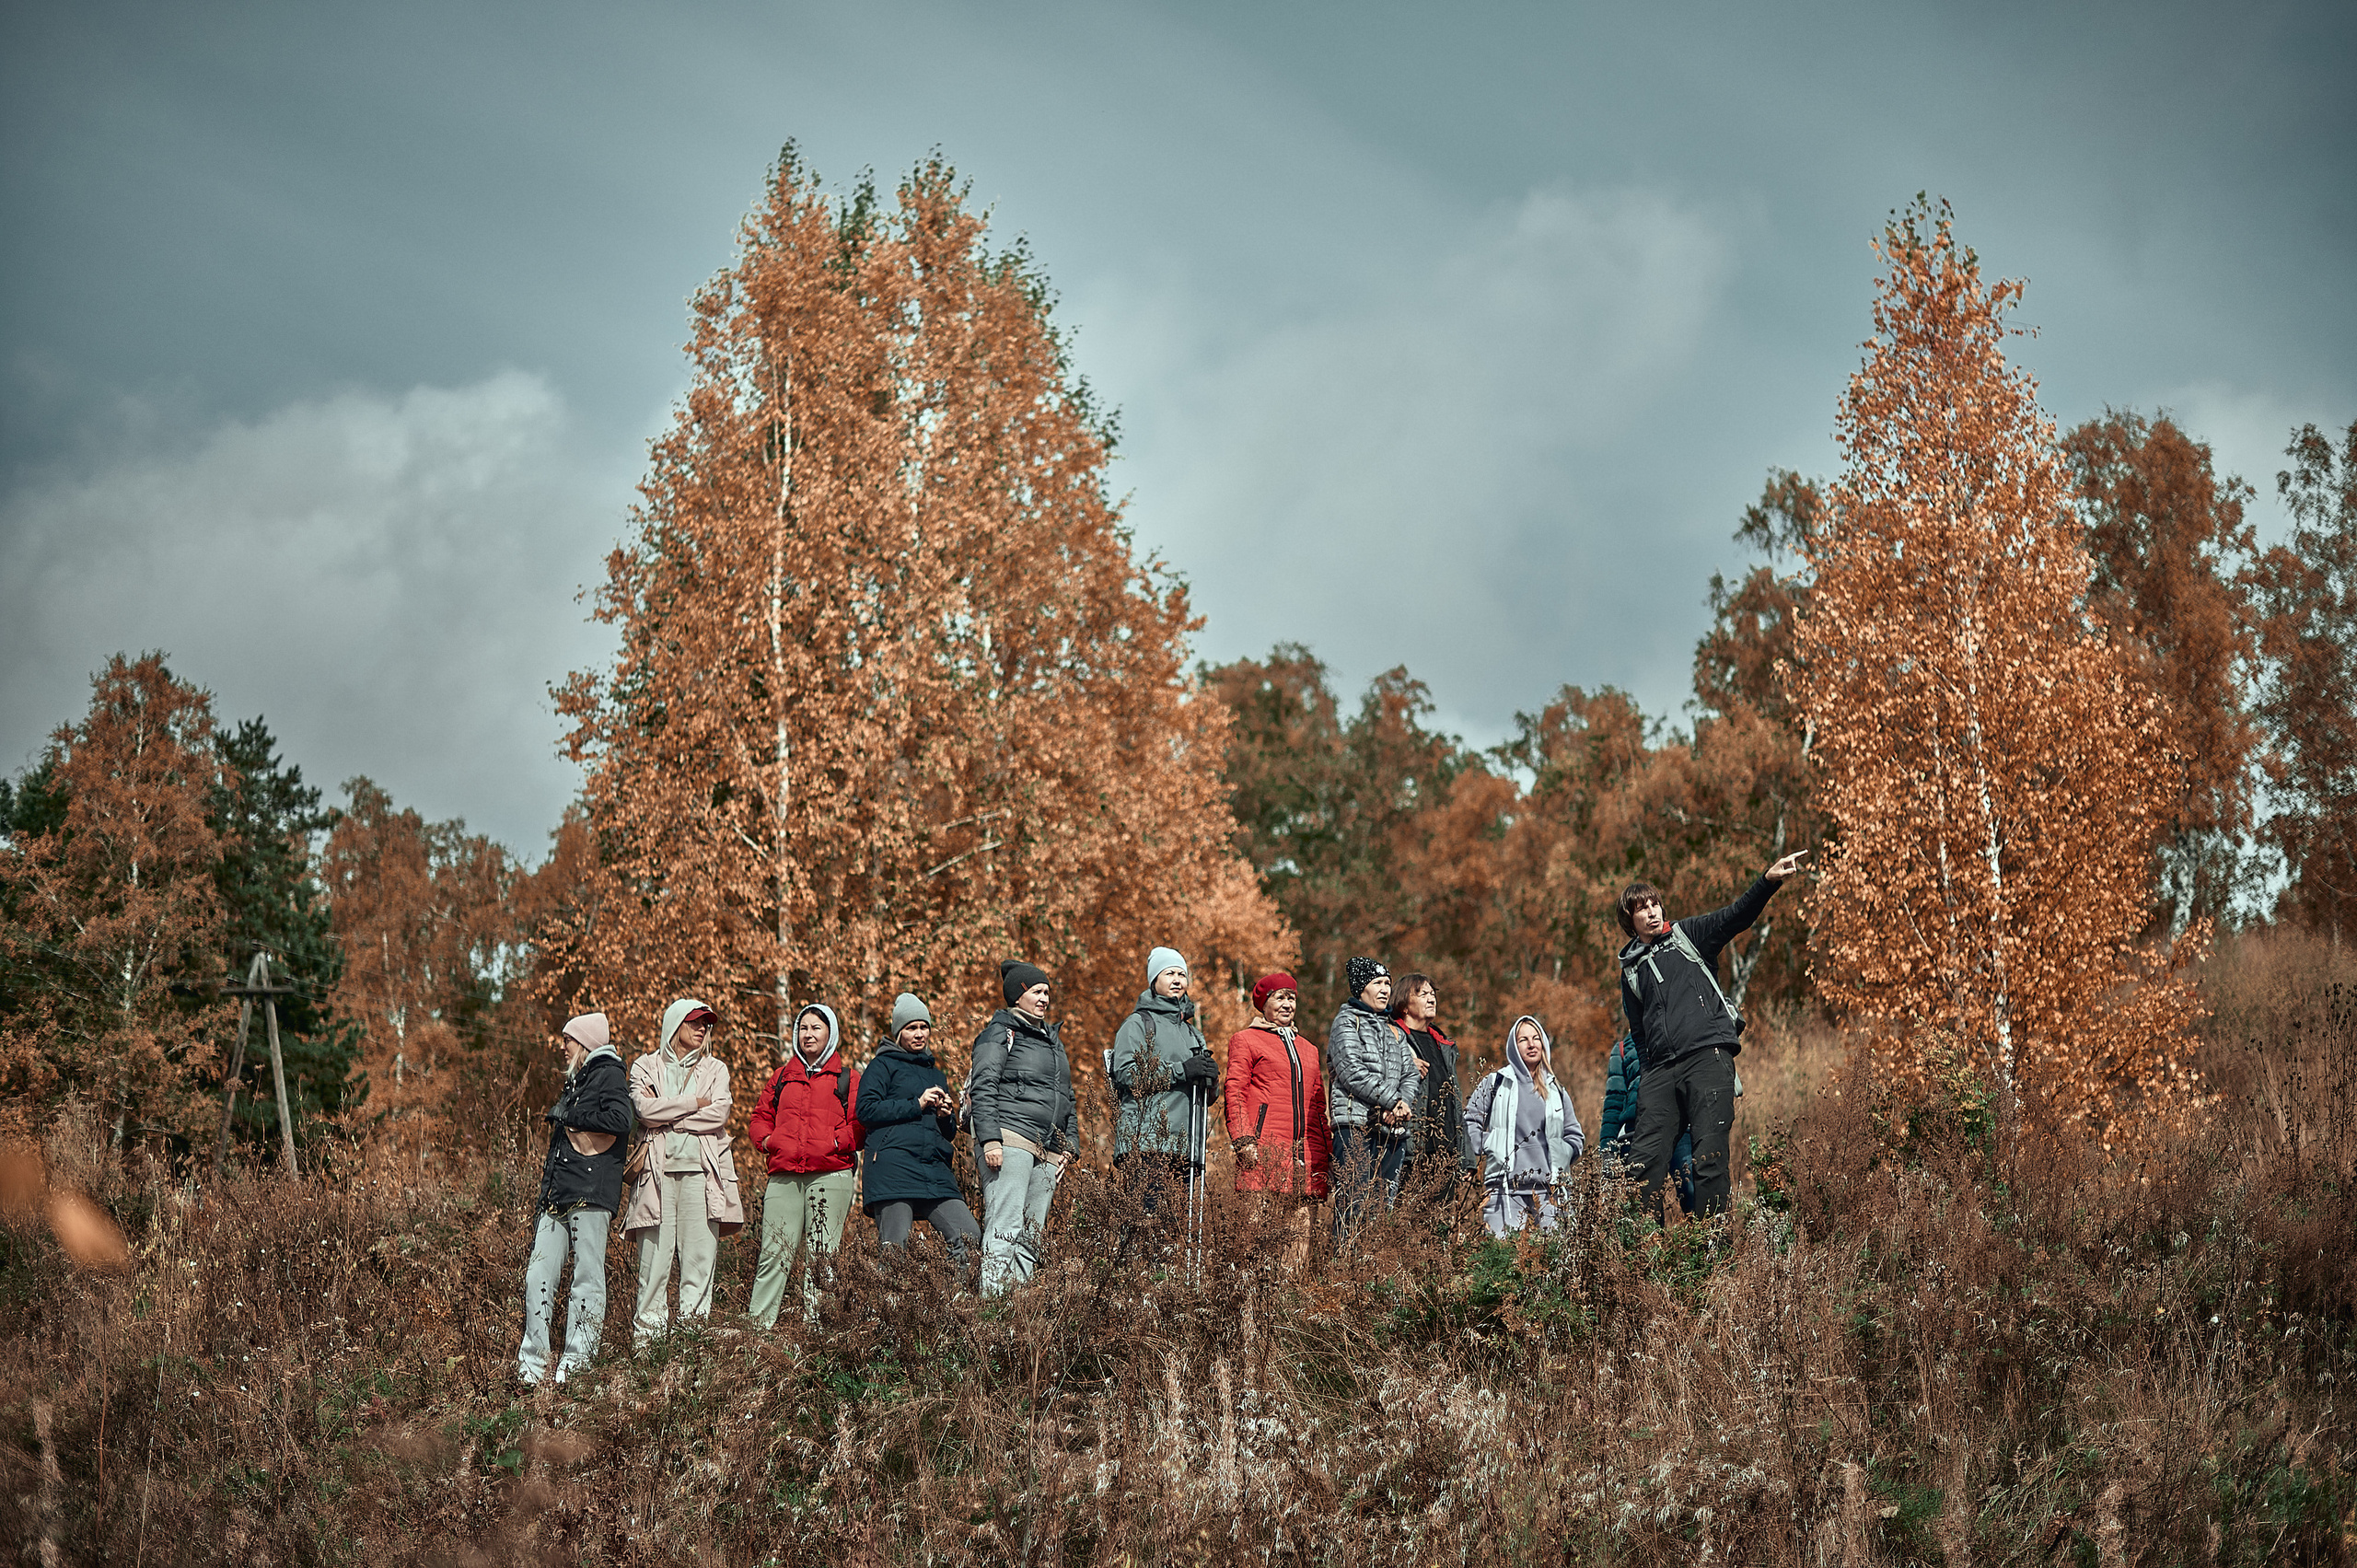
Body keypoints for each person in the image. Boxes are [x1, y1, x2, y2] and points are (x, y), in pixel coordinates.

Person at [1616, 851, 1807, 1220]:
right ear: (1630, 920)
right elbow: (1639, 1033)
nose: (1653, 912)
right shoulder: (1631, 971)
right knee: (1641, 1167)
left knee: (1709, 1160)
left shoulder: (1689, 935)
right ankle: (1639, 1249)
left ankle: (1713, 1248)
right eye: (1642, 908)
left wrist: (1767, 882)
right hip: (1660, 1072)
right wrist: (1649, 1076)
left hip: (1707, 1057)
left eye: (1655, 904)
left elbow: (1736, 916)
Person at [517, 1012, 632, 1386]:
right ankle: (531, 1369)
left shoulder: (609, 1073)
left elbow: (621, 1120)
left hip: (592, 1192)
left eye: (568, 1039)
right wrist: (544, 1195)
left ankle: (577, 1365)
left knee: (587, 1277)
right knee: (538, 1275)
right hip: (559, 1194)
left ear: (585, 1042)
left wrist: (572, 1113)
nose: (562, 1046)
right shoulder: (578, 1079)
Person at [624, 999, 745, 1343]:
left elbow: (719, 1114)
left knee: (698, 1263)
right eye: (695, 1022)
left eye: (706, 1023)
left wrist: (669, 1116)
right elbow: (644, 1111)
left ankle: (692, 1344)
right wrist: (693, 1103)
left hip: (702, 1176)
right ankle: (648, 1346)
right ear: (675, 1024)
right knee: (653, 1266)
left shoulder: (716, 1069)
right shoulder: (645, 1066)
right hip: (655, 1178)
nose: (702, 1028)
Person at [746, 1003, 862, 1327]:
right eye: (803, 1028)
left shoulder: (848, 1078)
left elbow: (860, 1124)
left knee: (822, 1257)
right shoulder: (782, 1076)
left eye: (816, 1028)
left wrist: (835, 1143)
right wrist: (769, 1141)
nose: (808, 1034)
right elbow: (759, 1117)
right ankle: (757, 1332)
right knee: (773, 1254)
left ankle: (817, 1332)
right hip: (784, 1176)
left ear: (831, 1033)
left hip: (831, 1175)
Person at [968, 960, 1078, 1294]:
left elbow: (1067, 1096)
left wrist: (1069, 1147)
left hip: (1048, 1149)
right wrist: (990, 1140)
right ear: (1018, 995)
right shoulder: (999, 1033)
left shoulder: (1053, 1041)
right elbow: (983, 1086)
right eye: (1037, 992)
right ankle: (991, 1306)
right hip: (1010, 1138)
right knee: (1006, 1225)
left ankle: (1015, 1309)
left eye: (1047, 992)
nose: (1044, 999)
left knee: (1032, 1235)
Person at [857, 993, 981, 1264]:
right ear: (898, 1032)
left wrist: (944, 1116)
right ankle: (888, 1295)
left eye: (924, 1027)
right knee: (894, 1252)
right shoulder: (881, 1066)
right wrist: (917, 1103)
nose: (919, 1034)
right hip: (894, 1169)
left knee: (969, 1238)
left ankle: (952, 1294)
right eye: (911, 1028)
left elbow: (948, 1133)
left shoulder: (936, 1073)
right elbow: (865, 1110)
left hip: (934, 1170)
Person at [1109, 947, 1217, 1237]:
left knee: (1174, 1236)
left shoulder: (1193, 1033)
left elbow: (1204, 1095)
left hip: (1186, 1149)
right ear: (1154, 980)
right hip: (1147, 1144)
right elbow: (1126, 1073)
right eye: (1169, 973)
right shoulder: (1138, 1023)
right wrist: (1182, 1070)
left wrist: (1211, 1081)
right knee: (1145, 1232)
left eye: (1182, 974)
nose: (1177, 979)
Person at [1224, 971, 1331, 1263]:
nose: (1287, 1004)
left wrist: (1326, 1153)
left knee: (1299, 1245)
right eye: (1280, 997)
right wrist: (1244, 1139)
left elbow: (1318, 1107)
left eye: (1292, 998)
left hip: (1304, 1156)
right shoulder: (1245, 1040)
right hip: (1262, 1152)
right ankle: (1247, 1292)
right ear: (1264, 1003)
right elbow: (1235, 1091)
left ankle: (1289, 1292)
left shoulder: (1309, 1049)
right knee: (1252, 1241)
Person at [1327, 957, 1420, 1245]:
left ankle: (1372, 1268)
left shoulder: (1394, 1029)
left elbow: (1410, 1073)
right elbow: (1351, 1071)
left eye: (1387, 983)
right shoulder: (1346, 1022)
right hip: (1353, 1125)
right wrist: (1392, 1101)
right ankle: (1343, 1266)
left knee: (1382, 1210)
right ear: (1361, 988)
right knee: (1352, 1206)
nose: (1385, 989)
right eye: (1377, 983)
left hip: (1391, 1129)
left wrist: (1401, 1104)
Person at [1463, 1016, 1585, 1237]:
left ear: (1543, 1043)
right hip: (1504, 1187)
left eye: (1536, 1038)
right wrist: (1488, 1144)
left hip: (1551, 1190)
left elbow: (1574, 1134)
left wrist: (1564, 1153)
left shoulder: (1556, 1089)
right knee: (1501, 1254)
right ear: (1513, 1046)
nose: (1531, 1044)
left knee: (1554, 1255)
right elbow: (1470, 1119)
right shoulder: (1496, 1082)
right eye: (1523, 1040)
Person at [1390, 972, 1472, 1191]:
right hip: (1409, 1155)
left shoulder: (1443, 1045)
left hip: (1445, 1157)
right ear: (1404, 1005)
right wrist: (1402, 1063)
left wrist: (1466, 1157)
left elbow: (1455, 1104)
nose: (1431, 999)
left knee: (1443, 1215)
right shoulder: (1392, 1039)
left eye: (1432, 994)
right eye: (1423, 994)